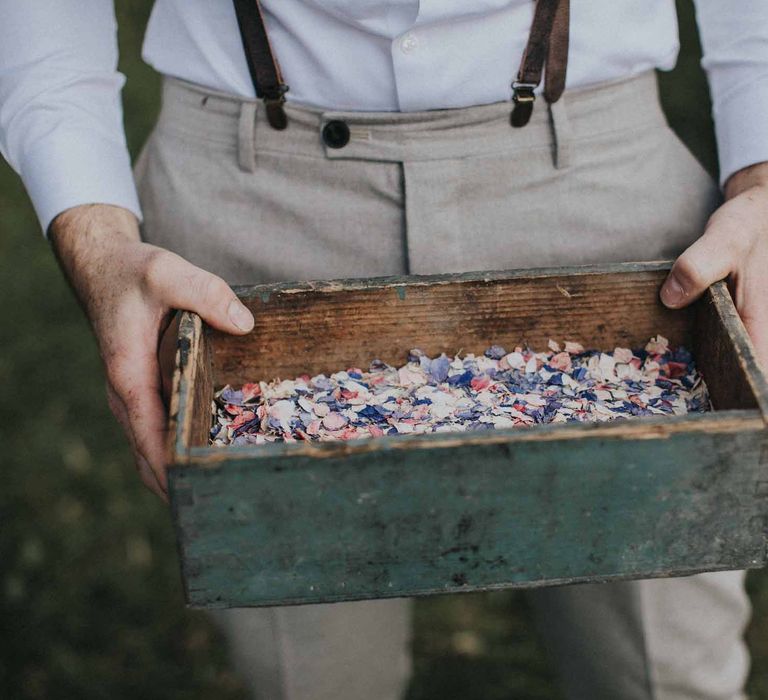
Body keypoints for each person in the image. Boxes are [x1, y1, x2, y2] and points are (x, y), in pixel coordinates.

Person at [2, 1, 767, 698]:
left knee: (664, 670)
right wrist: (99, 245)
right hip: (254, 201)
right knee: (312, 676)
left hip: (599, 186)